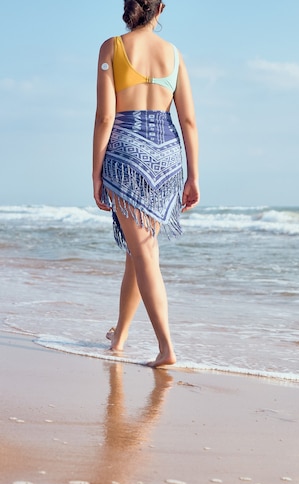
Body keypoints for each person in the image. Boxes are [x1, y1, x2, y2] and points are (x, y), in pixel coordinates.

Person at [93, 0, 200, 368]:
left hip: (127, 157)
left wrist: (95, 173)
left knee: (144, 253)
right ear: (161, 9)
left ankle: (166, 347)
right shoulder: (174, 54)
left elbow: (106, 116)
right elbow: (188, 120)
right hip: (168, 156)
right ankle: (119, 338)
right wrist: (194, 175)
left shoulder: (113, 48)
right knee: (137, 252)